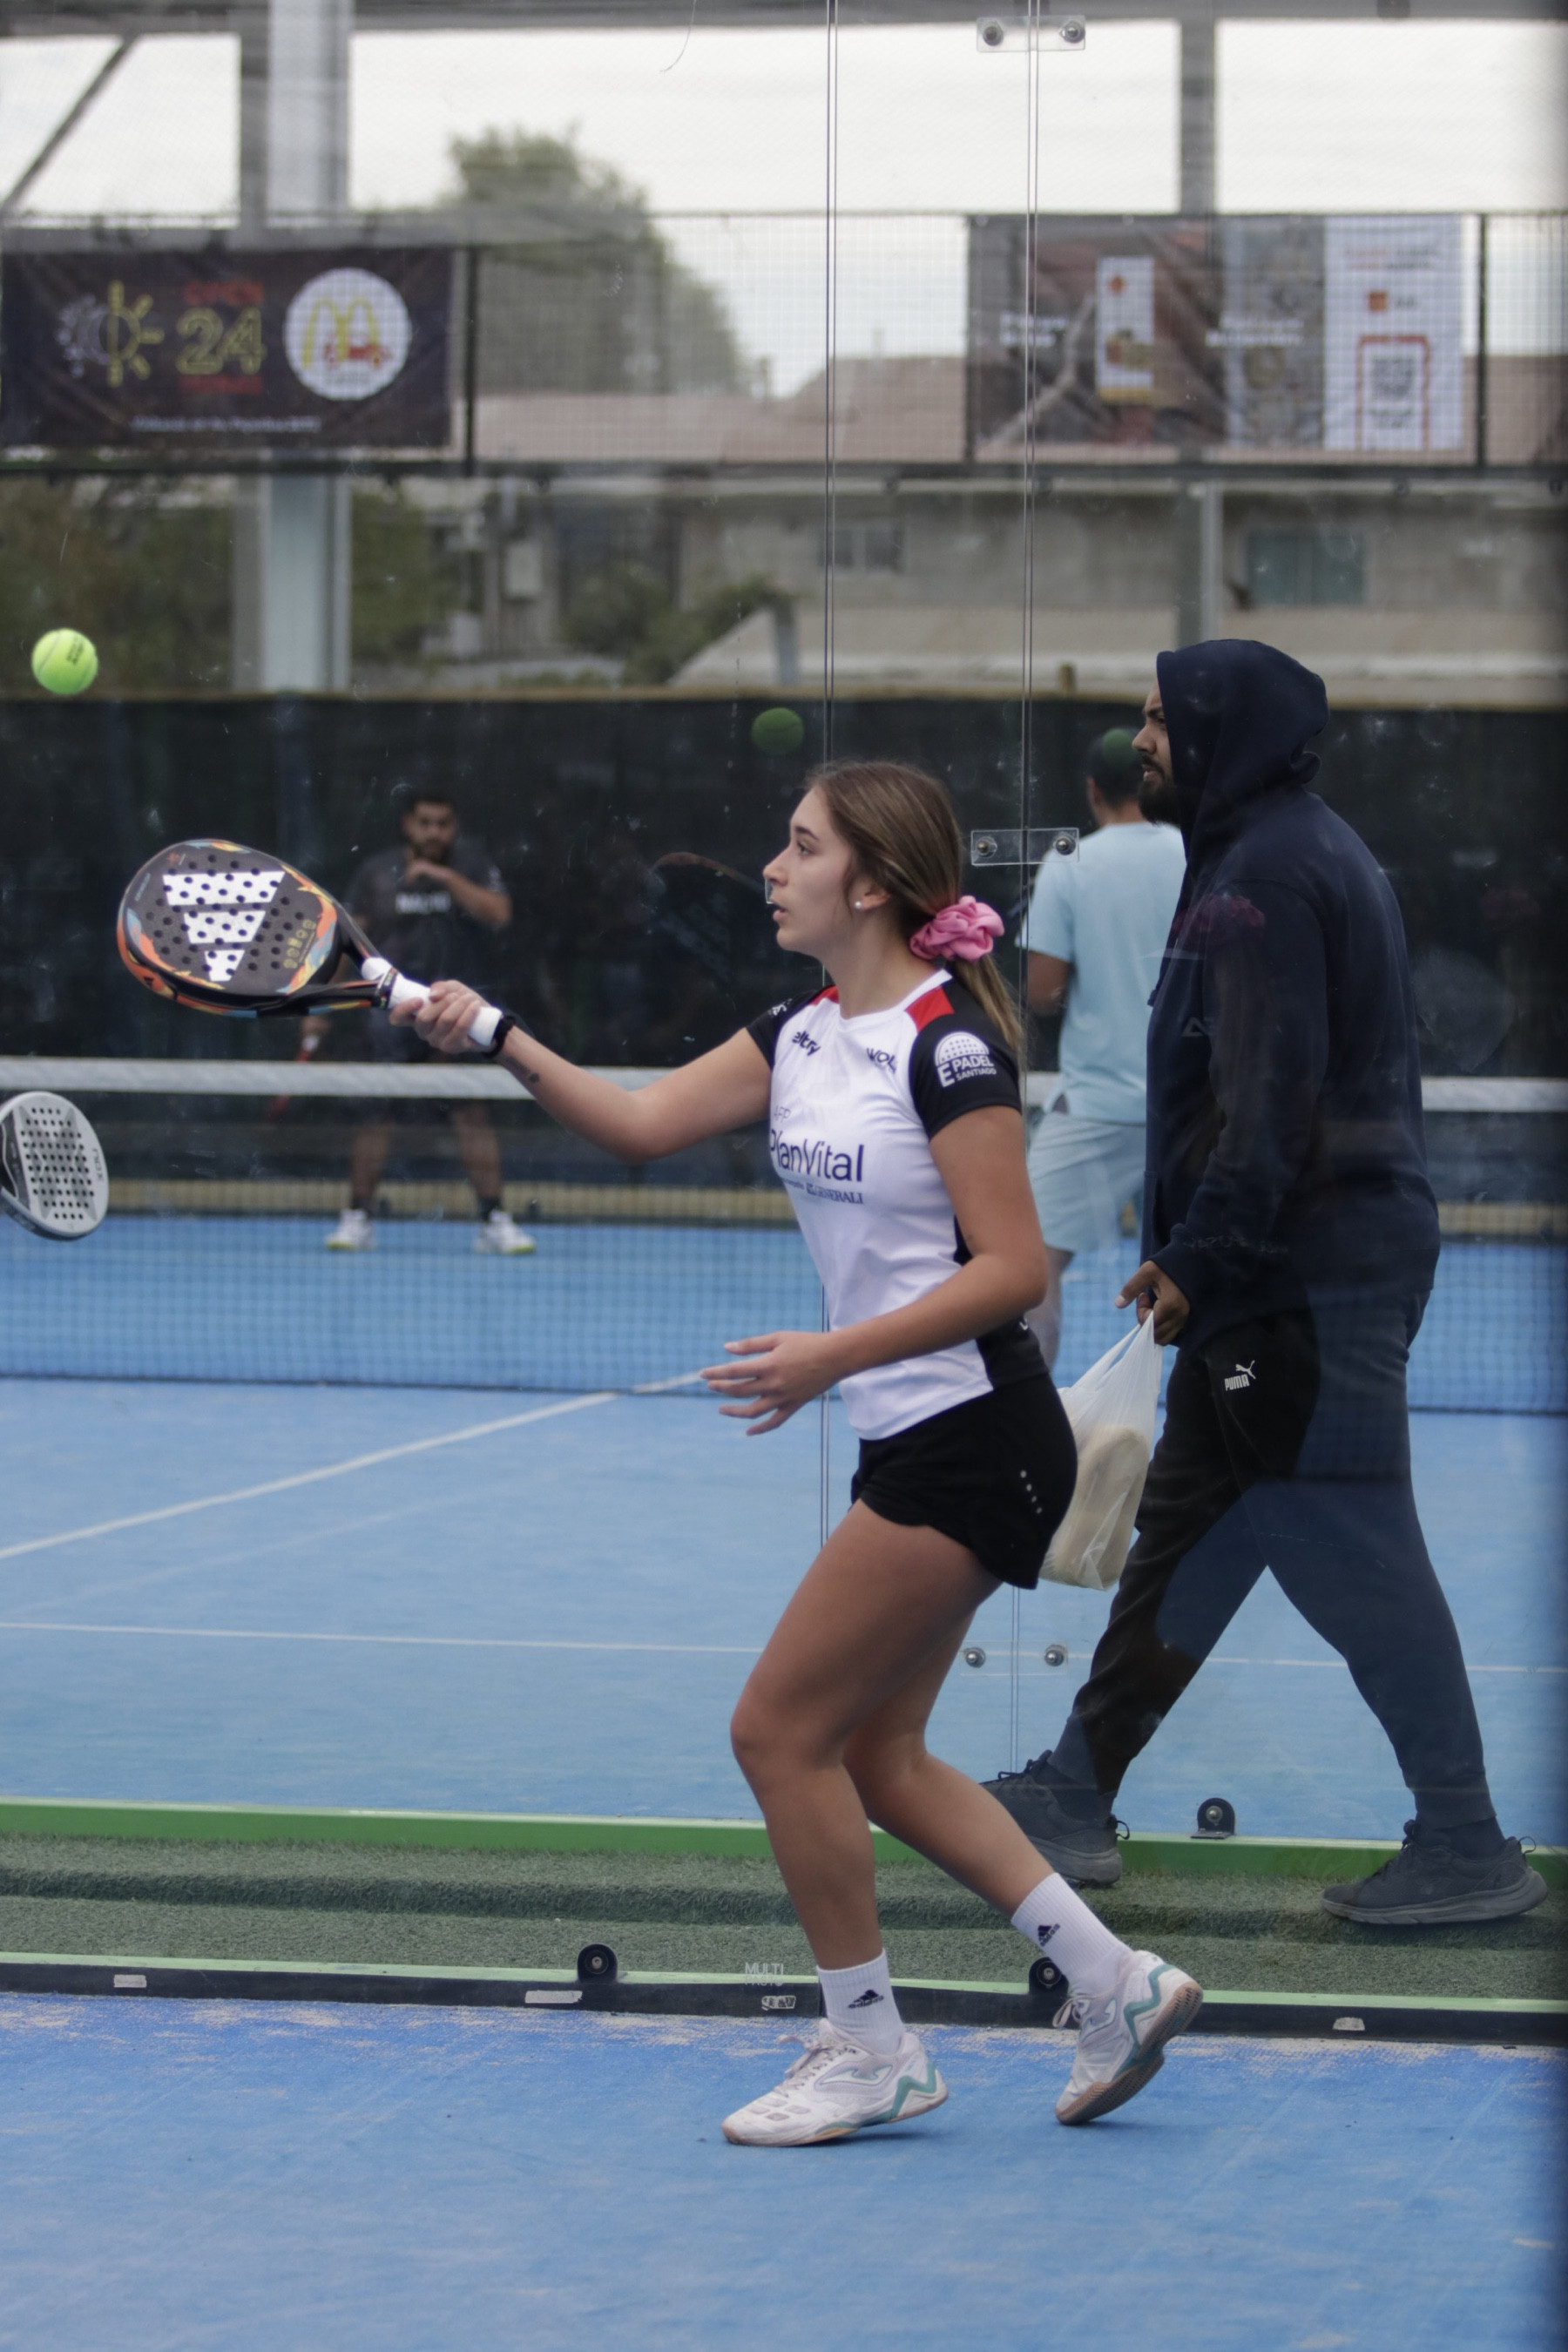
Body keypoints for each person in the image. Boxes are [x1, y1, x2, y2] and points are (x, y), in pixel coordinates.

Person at [400, 760, 1201, 2144]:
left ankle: (870, 2048)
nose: (772, 868)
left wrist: (834, 1354)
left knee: (776, 1732)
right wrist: (490, 1031)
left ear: (872, 883)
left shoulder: (949, 1048)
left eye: (802, 845)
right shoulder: (801, 1031)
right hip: (915, 1435)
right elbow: (639, 1125)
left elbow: (1014, 1270)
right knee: (881, 1756)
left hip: (972, 1436)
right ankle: (1114, 1984)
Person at [986, 641, 1547, 1929]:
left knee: (1355, 1554)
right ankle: (1076, 1788)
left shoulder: (1265, 881)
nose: (1142, 742)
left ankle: (1465, 1843)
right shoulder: (1267, 856)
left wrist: (1201, 1253)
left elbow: (1273, 1099)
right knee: (1189, 1540)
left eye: (1159, 720)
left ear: (1220, 732)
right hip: (1281, 1280)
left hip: (1302, 1284)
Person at [1024, 728, 1186, 1363]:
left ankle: (1027, 1411)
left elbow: (1042, 990)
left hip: (1095, 1107)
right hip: (1188, 1109)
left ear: (1093, 791)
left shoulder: (1069, 865)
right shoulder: (1197, 852)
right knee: (1210, 1266)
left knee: (1028, 1264)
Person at [316, 787, 535, 1255]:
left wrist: (443, 877)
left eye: (443, 824)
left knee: (471, 1113)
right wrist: (318, 1009)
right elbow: (345, 943)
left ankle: (494, 1219)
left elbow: (499, 913)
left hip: (458, 1016)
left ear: (454, 828)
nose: (434, 832)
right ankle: (357, 1217)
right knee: (376, 1115)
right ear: (408, 825)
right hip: (390, 1018)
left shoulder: (471, 866)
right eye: (425, 823)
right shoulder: (376, 873)